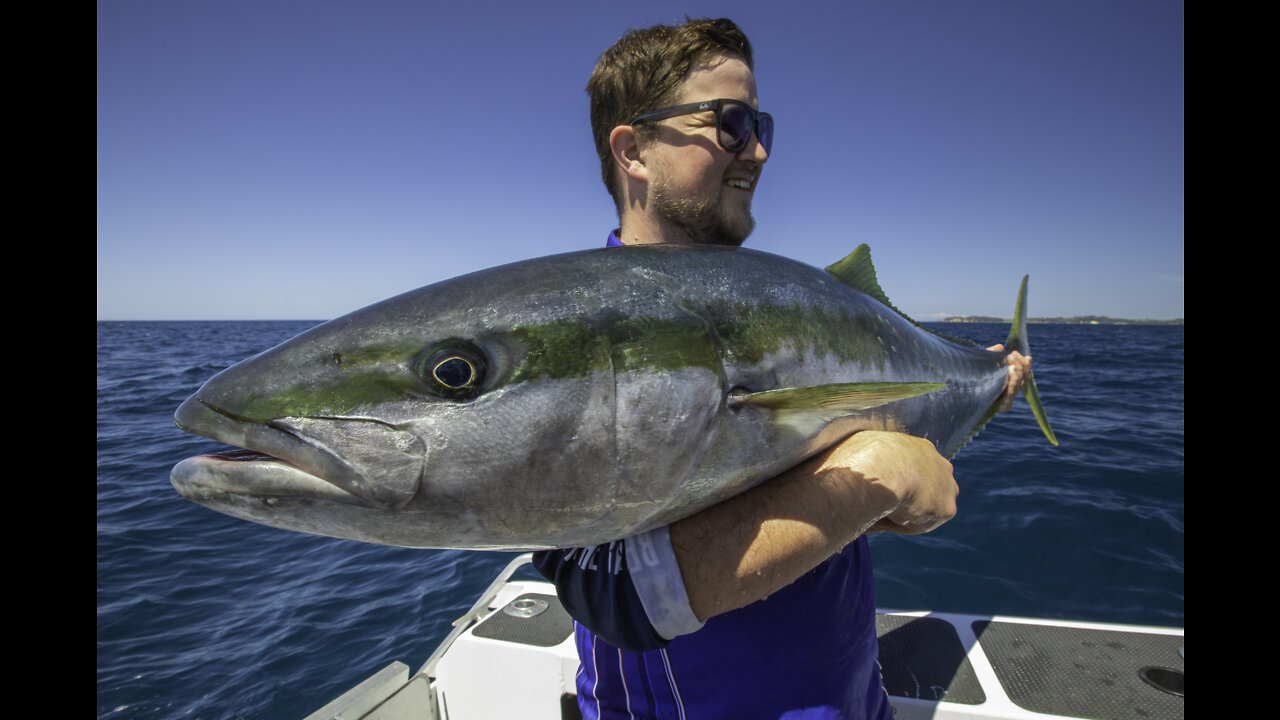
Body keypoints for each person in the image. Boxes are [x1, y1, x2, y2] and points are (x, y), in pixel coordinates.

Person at [533, 17, 1031, 719]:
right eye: (730, 123)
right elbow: (611, 588)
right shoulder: (583, 340)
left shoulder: (795, 303)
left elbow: (910, 462)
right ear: (635, 149)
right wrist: (881, 470)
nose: (759, 150)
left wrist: (983, 382)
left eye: (760, 123)